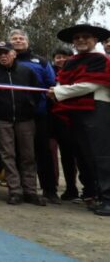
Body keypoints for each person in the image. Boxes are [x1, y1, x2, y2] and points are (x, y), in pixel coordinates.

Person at [49, 24, 110, 216]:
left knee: (101, 156)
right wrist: (59, 89)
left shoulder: (100, 60)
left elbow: (91, 84)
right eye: (77, 38)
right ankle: (95, 194)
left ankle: (108, 198)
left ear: (95, 40)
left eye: (86, 37)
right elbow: (63, 80)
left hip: (97, 109)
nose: (81, 40)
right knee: (84, 156)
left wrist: (59, 92)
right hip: (75, 112)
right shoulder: (71, 62)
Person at [0, 42, 45, 206]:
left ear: (14, 54)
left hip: (25, 119)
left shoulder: (26, 71)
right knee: (7, 155)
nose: (3, 56)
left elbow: (36, 93)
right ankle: (15, 191)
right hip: (2, 120)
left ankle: (30, 191)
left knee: (28, 156)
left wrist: (30, 105)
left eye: (6, 52)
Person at [10, 29, 60, 204]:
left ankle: (50, 190)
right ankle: (21, 190)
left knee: (43, 152)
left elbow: (51, 85)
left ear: (27, 42)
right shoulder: (5, 61)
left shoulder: (41, 61)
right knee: (17, 153)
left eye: (21, 38)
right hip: (14, 116)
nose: (18, 41)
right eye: (14, 39)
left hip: (38, 115)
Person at [50, 45, 90, 202]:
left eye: (65, 56)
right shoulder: (50, 72)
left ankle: (89, 190)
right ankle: (70, 188)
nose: (61, 60)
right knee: (66, 156)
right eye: (58, 57)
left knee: (82, 155)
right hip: (57, 120)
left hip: (77, 118)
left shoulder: (78, 70)